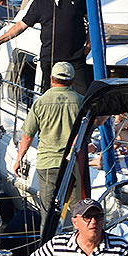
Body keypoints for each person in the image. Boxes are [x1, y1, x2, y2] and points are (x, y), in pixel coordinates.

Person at [0, 0, 92, 95]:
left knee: (84, 95)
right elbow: (21, 25)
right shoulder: (39, 3)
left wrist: (88, 45)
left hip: (76, 58)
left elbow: (92, 21)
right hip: (49, 59)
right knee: (51, 97)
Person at [12, 62, 83, 219]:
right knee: (78, 211)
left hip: (48, 163)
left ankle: (49, 234)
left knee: (48, 212)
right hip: (73, 164)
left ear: (51, 79)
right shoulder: (81, 101)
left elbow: (28, 135)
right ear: (72, 80)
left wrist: (19, 159)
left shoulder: (41, 102)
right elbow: (98, 120)